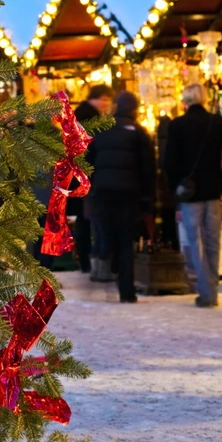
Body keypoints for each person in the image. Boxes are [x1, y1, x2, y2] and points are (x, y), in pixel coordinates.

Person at [163, 83, 222, 308]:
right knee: (213, 240)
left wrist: (175, 187)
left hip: (189, 194)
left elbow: (170, 162)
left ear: (185, 99)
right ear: (205, 98)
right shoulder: (218, 123)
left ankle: (206, 291)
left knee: (195, 243)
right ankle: (211, 289)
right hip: (213, 191)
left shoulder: (177, 125)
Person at [86, 91, 155, 303]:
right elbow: (148, 168)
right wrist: (148, 197)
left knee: (108, 233)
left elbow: (89, 161)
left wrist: (92, 189)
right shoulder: (139, 132)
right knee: (126, 239)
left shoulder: (102, 130)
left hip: (104, 192)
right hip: (128, 193)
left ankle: (110, 258)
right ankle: (127, 291)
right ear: (134, 109)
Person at [72, 85, 113, 276]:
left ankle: (86, 260)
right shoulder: (89, 116)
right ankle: (90, 259)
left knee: (85, 217)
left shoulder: (81, 112)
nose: (106, 104)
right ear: (96, 98)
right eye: (105, 99)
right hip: (87, 173)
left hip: (80, 172)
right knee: (89, 218)